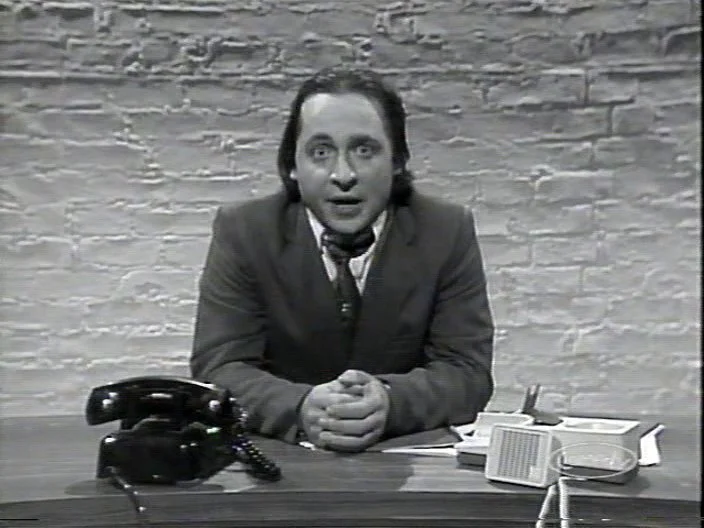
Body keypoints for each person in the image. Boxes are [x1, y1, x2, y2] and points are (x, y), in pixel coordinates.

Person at [190, 65, 494, 453]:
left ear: (397, 161)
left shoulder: (446, 230)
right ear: (292, 165)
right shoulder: (245, 231)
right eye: (321, 152)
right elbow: (219, 368)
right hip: (281, 464)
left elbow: (467, 373)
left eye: (364, 151)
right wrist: (300, 407)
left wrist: (390, 401)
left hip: (404, 467)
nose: (343, 174)